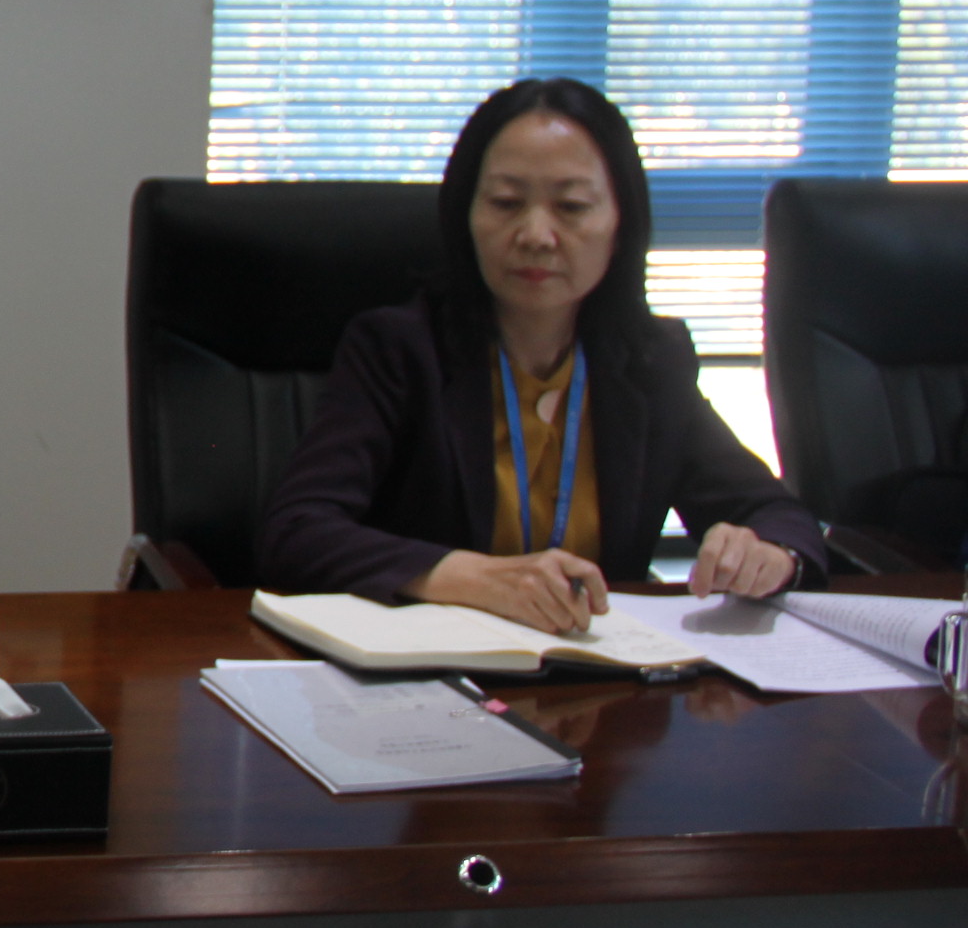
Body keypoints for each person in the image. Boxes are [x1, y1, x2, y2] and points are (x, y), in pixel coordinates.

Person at [260, 77, 825, 631]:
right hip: (431, 663)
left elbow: (777, 515)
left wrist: (768, 554)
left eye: (571, 206)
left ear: (620, 223)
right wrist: (473, 579)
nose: (535, 234)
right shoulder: (400, 351)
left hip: (596, 667)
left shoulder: (650, 361)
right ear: (465, 215)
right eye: (506, 203)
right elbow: (297, 530)